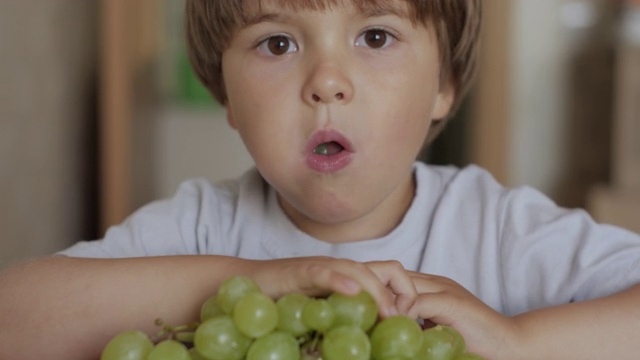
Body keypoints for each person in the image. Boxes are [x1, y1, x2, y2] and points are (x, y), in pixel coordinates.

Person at [1, 0, 639, 359]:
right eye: (278, 44)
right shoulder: (200, 227)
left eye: (375, 35)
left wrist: (521, 343)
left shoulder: (496, 229)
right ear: (225, 93)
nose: (326, 81)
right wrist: (243, 283)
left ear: (444, 85)